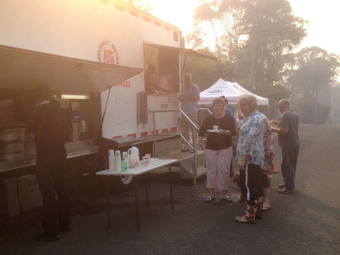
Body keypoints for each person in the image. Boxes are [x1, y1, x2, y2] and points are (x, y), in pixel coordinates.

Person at [14, 84, 71, 241]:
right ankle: (66, 224)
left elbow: (23, 117)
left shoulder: (40, 110)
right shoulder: (57, 107)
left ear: (37, 97)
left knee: (48, 192)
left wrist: (18, 100)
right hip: (60, 154)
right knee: (61, 188)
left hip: (47, 157)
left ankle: (51, 232)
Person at [198, 97, 236, 202]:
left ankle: (225, 194)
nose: (217, 107)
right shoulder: (210, 118)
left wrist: (224, 132)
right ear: (213, 107)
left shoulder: (228, 118)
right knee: (211, 171)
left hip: (225, 148)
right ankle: (210, 194)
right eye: (215, 106)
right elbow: (202, 129)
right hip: (210, 148)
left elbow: (234, 131)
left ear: (223, 107)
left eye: (219, 105)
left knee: (224, 170)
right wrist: (199, 140)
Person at [235, 95, 264, 224]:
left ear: (251, 105)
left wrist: (244, 159)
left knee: (248, 185)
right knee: (255, 184)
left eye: (244, 105)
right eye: (240, 105)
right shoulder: (252, 118)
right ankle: (257, 210)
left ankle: (249, 214)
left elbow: (250, 141)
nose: (242, 108)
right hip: (253, 158)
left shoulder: (254, 119)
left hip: (250, 159)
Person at [270, 99, 300, 194]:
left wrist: (273, 129)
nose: (278, 108)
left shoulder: (284, 115)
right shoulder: (295, 114)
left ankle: (289, 187)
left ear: (282, 105)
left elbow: (285, 130)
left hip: (288, 143)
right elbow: (289, 126)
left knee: (287, 165)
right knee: (291, 165)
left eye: (279, 106)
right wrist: (278, 123)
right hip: (295, 142)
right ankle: (288, 183)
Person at [177, 73, 200, 152]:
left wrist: (186, 95)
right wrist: (180, 97)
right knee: (185, 129)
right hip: (184, 112)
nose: (186, 80)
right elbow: (183, 98)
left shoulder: (195, 87)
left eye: (188, 78)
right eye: (185, 78)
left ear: (191, 79)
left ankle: (194, 147)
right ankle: (187, 146)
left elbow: (197, 97)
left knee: (193, 129)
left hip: (192, 111)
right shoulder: (183, 88)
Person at [258, 112, 274, 211]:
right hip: (255, 152)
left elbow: (268, 133)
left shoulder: (260, 117)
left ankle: (266, 201)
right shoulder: (248, 117)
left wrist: (267, 149)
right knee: (256, 176)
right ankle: (259, 199)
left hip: (263, 151)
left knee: (263, 176)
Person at [220, 96, 236, 177]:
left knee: (225, 153)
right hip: (225, 134)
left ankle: (228, 171)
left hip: (224, 134)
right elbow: (234, 120)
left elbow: (233, 120)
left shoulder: (227, 109)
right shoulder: (228, 109)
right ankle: (229, 171)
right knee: (227, 153)